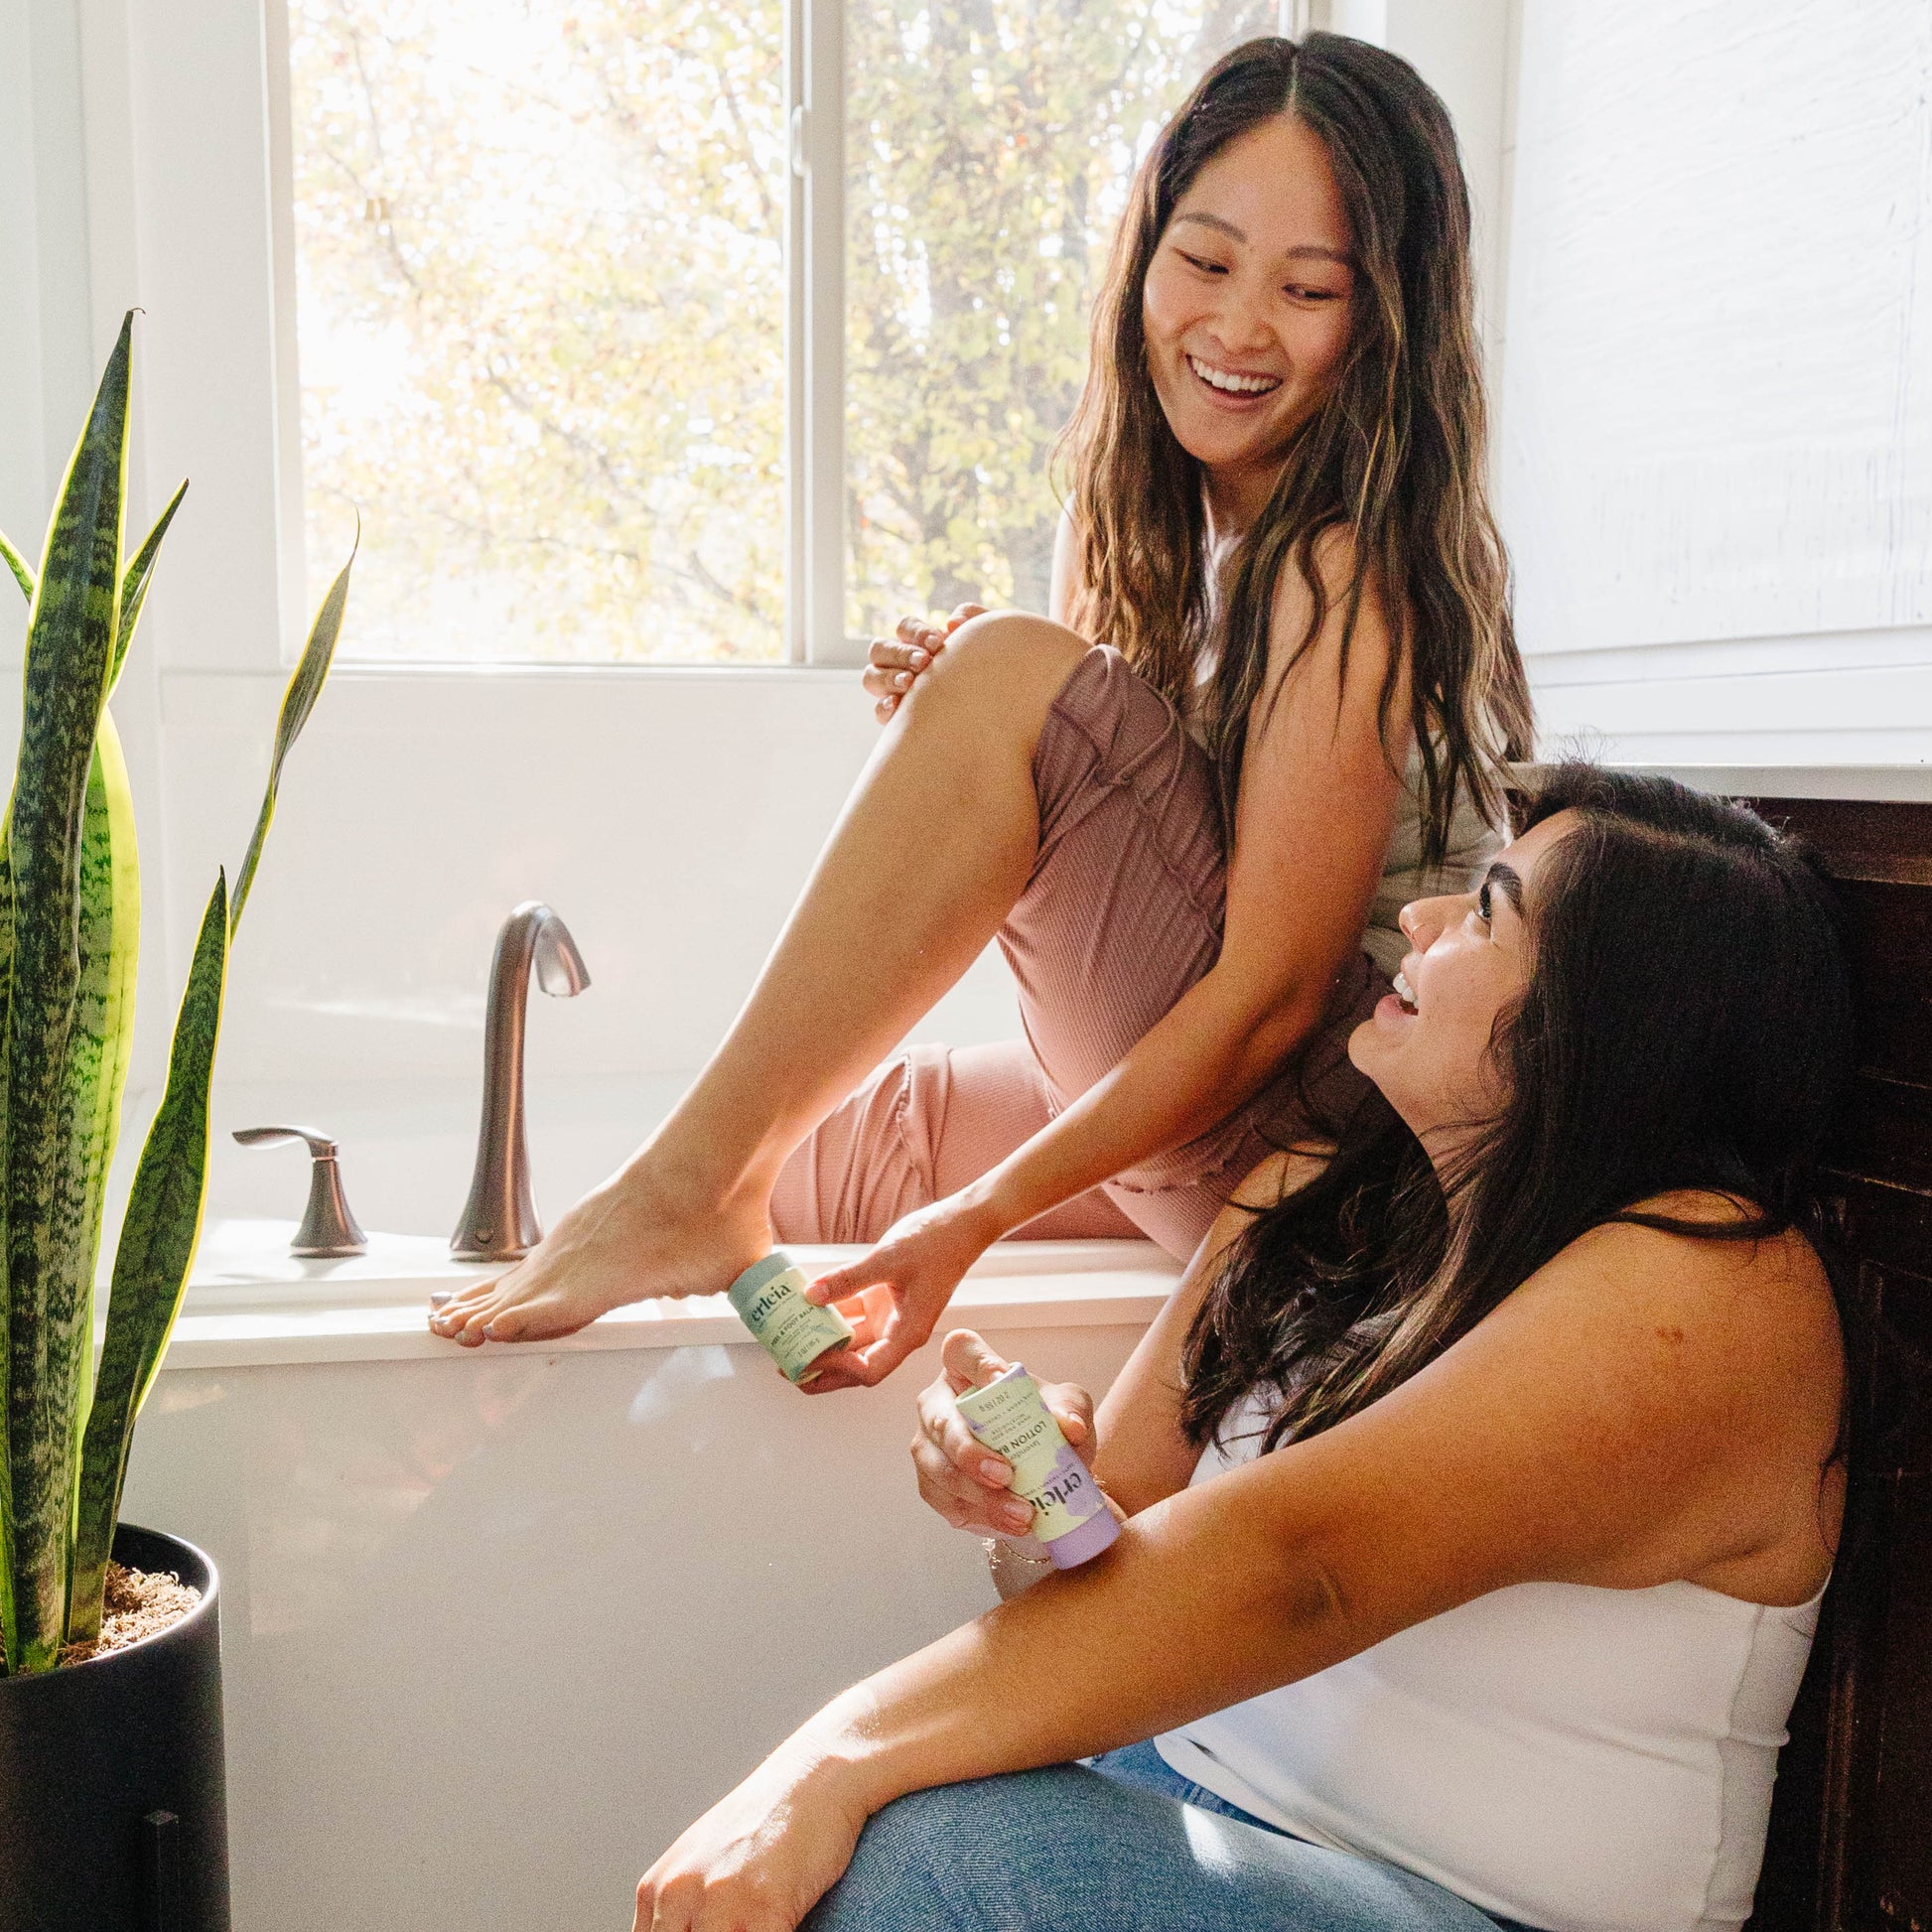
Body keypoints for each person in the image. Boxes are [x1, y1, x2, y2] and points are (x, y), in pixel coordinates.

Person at [429, 34, 1532, 1383]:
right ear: (1143, 258)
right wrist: (977, 716)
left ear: (1383, 320)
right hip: (1213, 1108)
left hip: (1332, 1151)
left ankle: (683, 1190)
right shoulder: (1140, 523)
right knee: (820, 1151)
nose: (1237, 327)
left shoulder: (1340, 566)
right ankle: (690, 1237)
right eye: (1202, 261)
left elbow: (1268, 995)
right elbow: (1101, 877)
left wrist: (973, 1217)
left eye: (1307, 289)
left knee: (1009, 680)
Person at [630, 765, 1858, 1932]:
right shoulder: (1311, 1199)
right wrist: (1024, 1480)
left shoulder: (1714, 1283)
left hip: (1465, 1902)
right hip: (1190, 1798)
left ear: (1609, 1022)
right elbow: (1090, 1558)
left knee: (922, 1846)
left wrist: (832, 1753)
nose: (1423, 914)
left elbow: (1299, 1563)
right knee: (909, 1813)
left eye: (1485, 911)